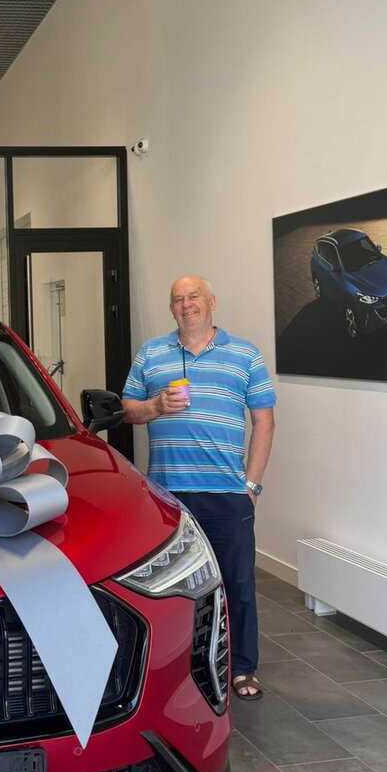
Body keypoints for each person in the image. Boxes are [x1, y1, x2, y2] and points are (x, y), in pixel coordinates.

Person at [121, 276, 276, 701]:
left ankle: (241, 667)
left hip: (227, 493)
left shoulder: (244, 354)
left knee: (236, 584)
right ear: (171, 308)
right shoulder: (151, 352)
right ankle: (174, 668)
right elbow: (127, 410)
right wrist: (155, 405)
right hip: (167, 495)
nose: (186, 304)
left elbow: (264, 421)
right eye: (178, 299)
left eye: (193, 297)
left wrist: (251, 484)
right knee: (166, 584)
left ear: (211, 302)